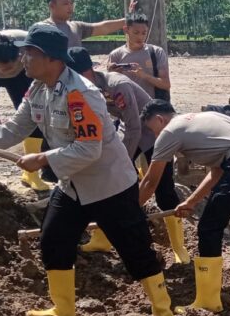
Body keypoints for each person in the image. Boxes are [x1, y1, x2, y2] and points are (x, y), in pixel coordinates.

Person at [0, 24, 175, 316]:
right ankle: (64, 309)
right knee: (53, 240)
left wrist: (43, 158)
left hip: (109, 185)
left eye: (29, 53)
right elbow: (11, 131)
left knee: (135, 249)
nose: (23, 59)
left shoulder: (80, 94)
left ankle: (164, 312)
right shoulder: (37, 90)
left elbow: (89, 149)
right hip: (73, 186)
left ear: (52, 59)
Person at [139, 100, 230, 312]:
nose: (155, 136)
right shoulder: (201, 120)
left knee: (209, 228)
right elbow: (217, 171)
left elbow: (149, 182)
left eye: (152, 130)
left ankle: (208, 301)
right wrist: (191, 201)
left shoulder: (169, 131)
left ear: (159, 119)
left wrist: (129, 212)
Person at [67, 47, 188, 264]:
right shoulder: (84, 90)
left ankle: (179, 248)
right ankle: (102, 239)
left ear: (87, 71)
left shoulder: (117, 85)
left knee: (165, 192)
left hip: (153, 133)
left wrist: (123, 160)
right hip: (128, 131)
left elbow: (135, 127)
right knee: (108, 184)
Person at [0, 29, 49, 191]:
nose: (4, 72)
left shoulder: (30, 46)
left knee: (34, 117)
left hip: (22, 75)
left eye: (9, 68)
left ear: (20, 55)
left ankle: (31, 175)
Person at [106, 12, 171, 100]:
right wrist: (111, 75)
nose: (140, 37)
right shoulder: (116, 55)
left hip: (151, 106)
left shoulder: (156, 52)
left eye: (144, 33)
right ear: (126, 30)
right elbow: (109, 88)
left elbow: (166, 84)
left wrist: (144, 76)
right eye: (136, 33)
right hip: (126, 106)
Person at [44, 0, 134, 48]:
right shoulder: (42, 30)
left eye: (71, 3)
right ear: (52, 6)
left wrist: (129, 18)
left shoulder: (76, 27)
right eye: (65, 3)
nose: (70, 7)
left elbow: (103, 27)